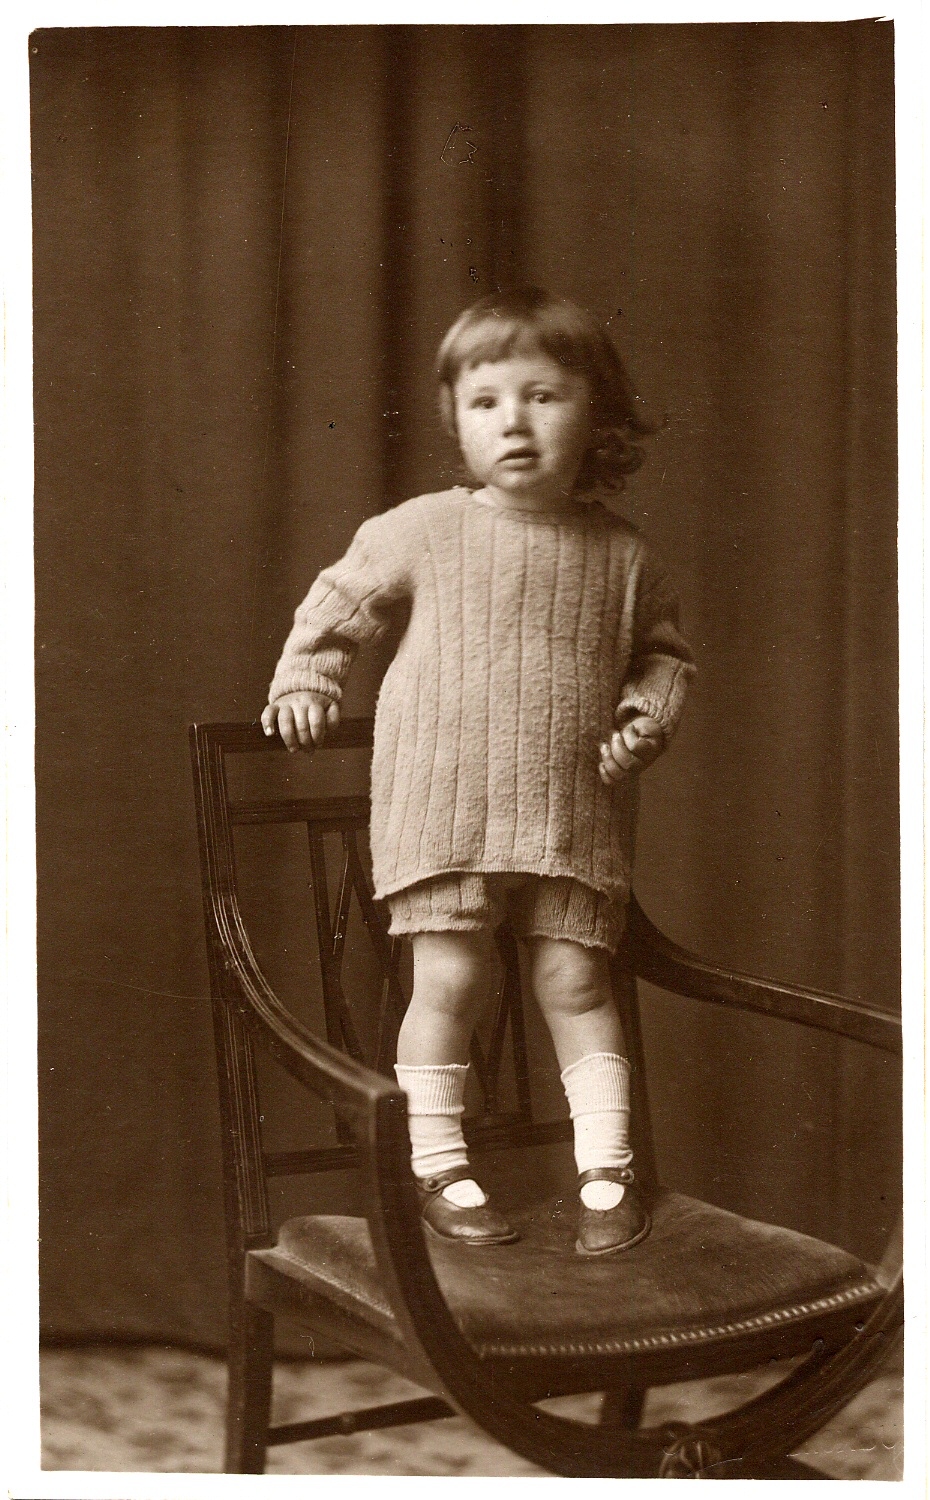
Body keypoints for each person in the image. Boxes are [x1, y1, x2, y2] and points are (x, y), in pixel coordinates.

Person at [262, 288, 695, 1256]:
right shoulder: (420, 530)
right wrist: (307, 680)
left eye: (543, 396)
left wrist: (644, 720)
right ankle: (437, 1166)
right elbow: (336, 607)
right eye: (486, 401)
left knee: (575, 980)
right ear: (455, 419)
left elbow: (664, 660)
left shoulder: (625, 558)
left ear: (596, 415)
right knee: (451, 978)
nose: (514, 423)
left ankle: (607, 1171)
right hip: (443, 806)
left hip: (573, 810)